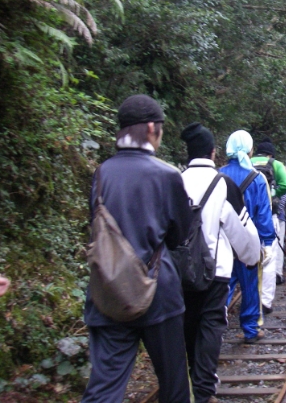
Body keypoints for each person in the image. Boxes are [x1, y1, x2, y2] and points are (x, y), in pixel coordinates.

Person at [83, 95, 193, 403]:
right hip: (158, 293)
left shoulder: (102, 173)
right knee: (173, 383)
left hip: (109, 290)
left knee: (105, 385)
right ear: (150, 128)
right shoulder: (167, 174)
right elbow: (179, 235)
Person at [180, 123, 261, 403]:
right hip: (216, 271)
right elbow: (242, 231)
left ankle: (189, 382)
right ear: (213, 153)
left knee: (188, 325)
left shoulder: (174, 181)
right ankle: (204, 391)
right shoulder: (223, 185)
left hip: (182, 271)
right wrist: (251, 258)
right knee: (211, 325)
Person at [220, 130, 274, 344]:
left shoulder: (218, 174)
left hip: (224, 241)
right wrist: (267, 242)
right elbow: (263, 213)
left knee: (224, 283)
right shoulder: (257, 178)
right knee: (250, 284)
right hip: (249, 242)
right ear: (250, 149)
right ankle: (251, 329)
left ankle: (215, 327)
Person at [251, 138, 286, 314]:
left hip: (246, 215)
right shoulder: (275, 164)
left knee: (247, 258)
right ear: (270, 154)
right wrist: (272, 192)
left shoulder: (247, 161)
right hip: (269, 214)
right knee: (269, 257)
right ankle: (265, 301)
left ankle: (250, 297)